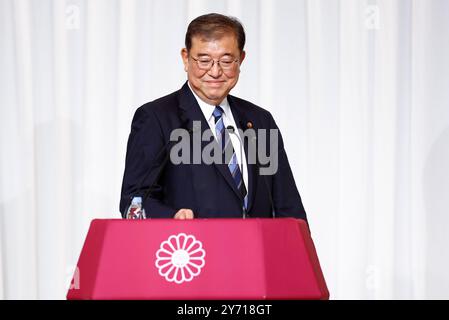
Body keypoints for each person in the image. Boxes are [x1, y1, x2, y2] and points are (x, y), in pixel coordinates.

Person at [120, 13, 307, 221]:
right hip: (193, 249)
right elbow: (134, 201)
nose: (215, 72)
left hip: (256, 252)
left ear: (241, 59)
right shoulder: (156, 118)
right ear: (185, 57)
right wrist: (172, 218)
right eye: (204, 60)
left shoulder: (260, 121)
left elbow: (289, 208)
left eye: (226, 61)